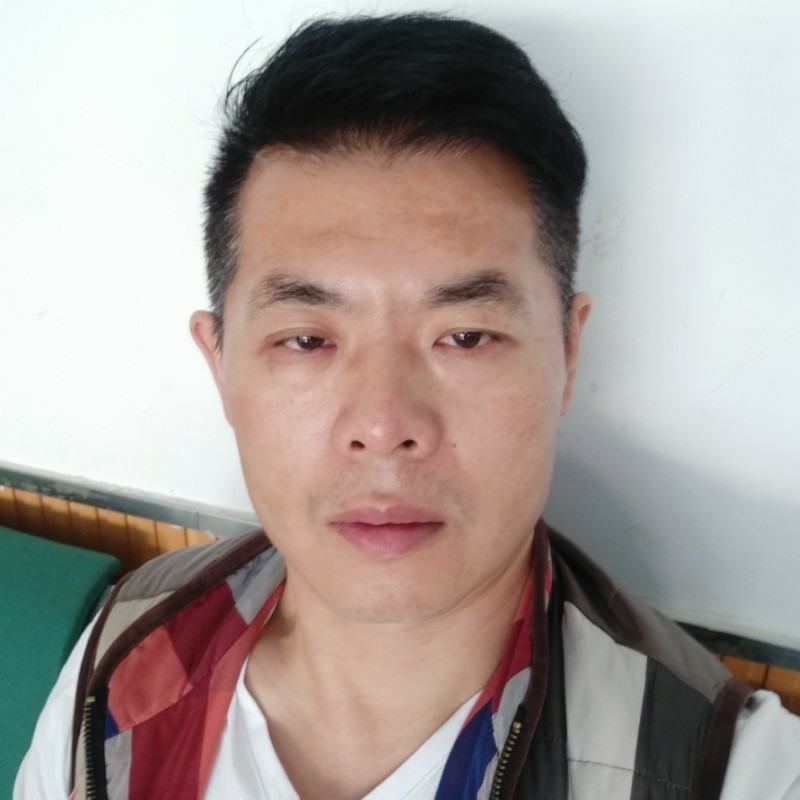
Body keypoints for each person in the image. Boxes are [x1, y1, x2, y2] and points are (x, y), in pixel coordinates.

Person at [15, 13, 800, 800]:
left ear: (567, 352)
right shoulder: (121, 655)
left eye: (465, 336)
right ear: (220, 365)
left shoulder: (731, 771)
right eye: (306, 339)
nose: (384, 427)